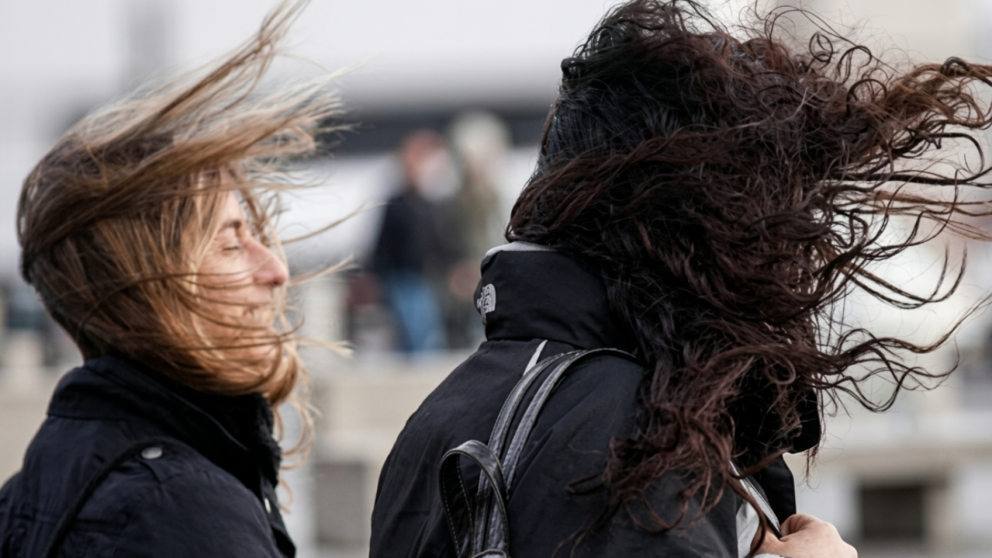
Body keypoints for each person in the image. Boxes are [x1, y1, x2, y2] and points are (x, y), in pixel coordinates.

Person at [370, 1, 992, 557]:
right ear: (705, 224)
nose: (794, 252)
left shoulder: (442, 413)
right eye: (776, 212)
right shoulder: (640, 443)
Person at [0, 2, 342, 556]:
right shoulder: (186, 513)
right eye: (232, 243)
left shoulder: (33, 485)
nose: (276, 271)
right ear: (149, 288)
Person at [370, 130, 461, 353]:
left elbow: (443, 244)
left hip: (426, 278)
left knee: (426, 333)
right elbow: (382, 247)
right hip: (403, 278)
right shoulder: (398, 204)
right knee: (415, 334)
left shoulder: (432, 203)